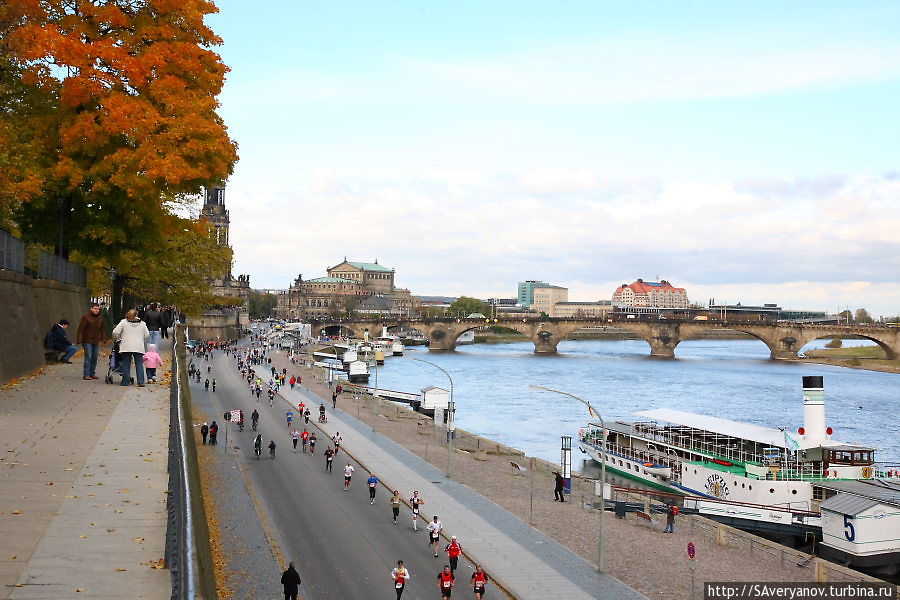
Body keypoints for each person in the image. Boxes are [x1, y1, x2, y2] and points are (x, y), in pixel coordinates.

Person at [112, 310, 149, 386]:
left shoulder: (123, 322)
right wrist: (141, 338)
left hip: (126, 345)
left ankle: (125, 382)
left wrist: (119, 337)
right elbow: (147, 334)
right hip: (138, 346)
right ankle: (141, 382)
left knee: (126, 363)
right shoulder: (142, 323)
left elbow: (115, 332)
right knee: (139, 364)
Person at [76, 302, 106, 379]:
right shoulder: (86, 317)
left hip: (96, 340)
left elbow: (102, 329)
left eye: (98, 309)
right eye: (95, 309)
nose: (97, 310)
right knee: (88, 356)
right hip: (87, 340)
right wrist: (79, 339)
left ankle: (92, 373)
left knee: (95, 357)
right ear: (91, 309)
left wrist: (103, 338)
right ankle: (86, 374)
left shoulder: (100, 318)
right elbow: (81, 329)